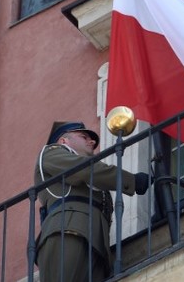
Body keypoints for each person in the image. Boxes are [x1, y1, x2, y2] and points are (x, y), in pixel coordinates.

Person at [34, 121, 151, 282]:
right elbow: (83, 169)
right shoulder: (51, 153)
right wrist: (131, 180)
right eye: (84, 137)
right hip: (68, 231)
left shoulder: (91, 173)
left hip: (97, 241)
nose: (93, 142)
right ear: (63, 141)